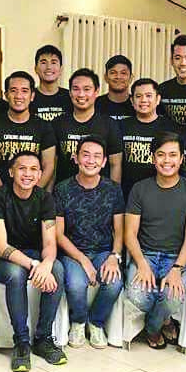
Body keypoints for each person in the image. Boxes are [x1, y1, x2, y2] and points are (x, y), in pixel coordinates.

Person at [0, 151, 67, 372]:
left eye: (33, 170)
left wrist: (46, 264)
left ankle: (43, 338)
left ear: (39, 175)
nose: (27, 174)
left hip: (32, 254)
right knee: (16, 273)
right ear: (11, 172)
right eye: (22, 168)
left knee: (57, 268)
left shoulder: (45, 198)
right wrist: (34, 264)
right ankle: (21, 341)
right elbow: (0, 246)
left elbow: (49, 242)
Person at [125, 131, 186, 349]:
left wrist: (177, 268)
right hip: (146, 255)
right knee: (139, 297)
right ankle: (165, 320)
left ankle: (152, 328)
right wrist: (141, 264)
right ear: (153, 158)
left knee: (171, 299)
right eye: (161, 155)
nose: (166, 161)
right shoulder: (140, 189)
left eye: (172, 155)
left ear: (181, 159)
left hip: (176, 258)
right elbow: (129, 234)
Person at [54, 136, 124, 349]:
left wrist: (114, 256)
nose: (90, 161)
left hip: (104, 250)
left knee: (114, 283)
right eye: (85, 155)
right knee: (76, 285)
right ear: (76, 158)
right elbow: (58, 234)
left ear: (104, 162)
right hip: (73, 252)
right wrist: (83, 260)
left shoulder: (113, 189)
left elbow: (120, 230)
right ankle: (78, 322)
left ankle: (96, 323)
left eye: (97, 157)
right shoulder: (62, 189)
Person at [0, 71, 56, 188]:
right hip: (0, 196)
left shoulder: (44, 127)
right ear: (6, 95)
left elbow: (49, 166)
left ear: (32, 96)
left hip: (34, 197)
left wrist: (33, 196)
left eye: (24, 91)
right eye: (13, 91)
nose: (19, 96)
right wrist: (3, 196)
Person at [54, 68, 123, 185]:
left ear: (96, 92)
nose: (81, 94)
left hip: (100, 195)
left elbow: (115, 165)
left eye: (87, 89)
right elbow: (52, 165)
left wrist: (113, 193)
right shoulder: (58, 123)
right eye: (76, 89)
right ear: (70, 92)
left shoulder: (109, 124)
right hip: (64, 194)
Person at [120, 78, 178, 199]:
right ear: (131, 100)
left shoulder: (170, 127)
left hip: (161, 193)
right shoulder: (121, 126)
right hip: (128, 193)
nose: (143, 100)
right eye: (138, 96)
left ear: (158, 99)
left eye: (148, 95)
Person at [30, 45, 72, 122]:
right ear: (35, 68)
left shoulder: (70, 97)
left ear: (61, 69)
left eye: (53, 62)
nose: (49, 67)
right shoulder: (28, 98)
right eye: (43, 62)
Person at [95, 55, 135, 121]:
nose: (118, 76)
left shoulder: (139, 104)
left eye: (123, 73)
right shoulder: (94, 105)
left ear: (131, 78)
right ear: (106, 77)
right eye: (113, 73)